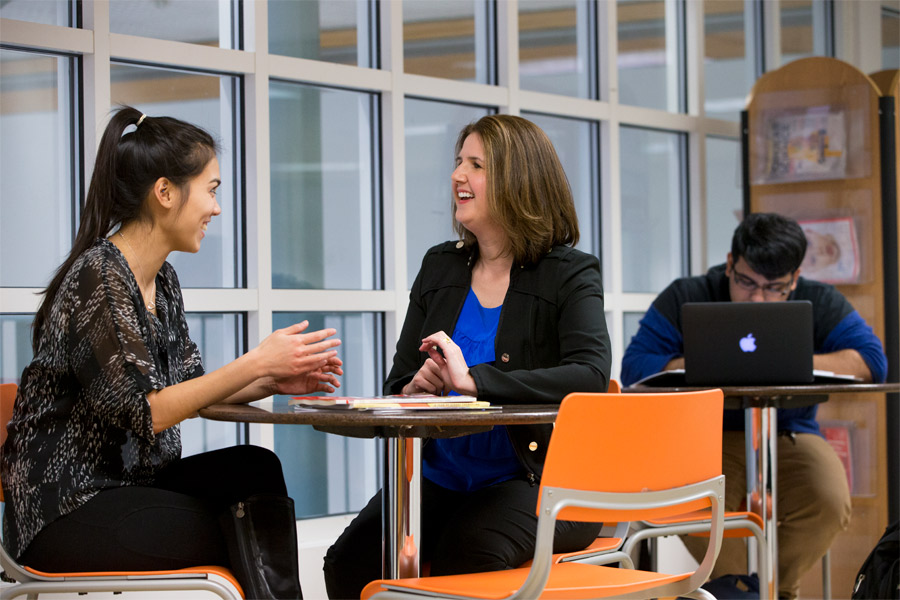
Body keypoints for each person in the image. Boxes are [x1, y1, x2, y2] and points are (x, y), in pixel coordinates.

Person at [0, 106, 344, 600]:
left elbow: (190, 386)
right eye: (211, 189)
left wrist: (271, 380)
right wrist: (257, 361)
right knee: (237, 527)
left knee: (256, 470)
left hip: (130, 487)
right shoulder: (98, 277)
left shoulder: (161, 279)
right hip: (65, 510)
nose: (217, 208)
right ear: (165, 193)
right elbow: (146, 412)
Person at [322, 115, 611, 598]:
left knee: (468, 557)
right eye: (459, 162)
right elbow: (398, 383)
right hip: (442, 475)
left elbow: (590, 375)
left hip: (543, 482)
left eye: (476, 164)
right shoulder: (440, 265)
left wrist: (474, 382)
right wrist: (413, 390)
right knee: (351, 562)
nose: (458, 175)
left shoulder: (570, 272)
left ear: (519, 180)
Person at [621, 212, 888, 599]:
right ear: (730, 263)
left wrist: (792, 359)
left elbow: (871, 362)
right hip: (704, 438)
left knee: (828, 498)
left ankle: (770, 589)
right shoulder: (686, 294)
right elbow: (635, 365)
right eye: (746, 282)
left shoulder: (819, 299)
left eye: (775, 287)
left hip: (789, 434)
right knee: (694, 506)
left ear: (794, 279)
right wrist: (701, 362)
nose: (758, 297)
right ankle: (736, 591)